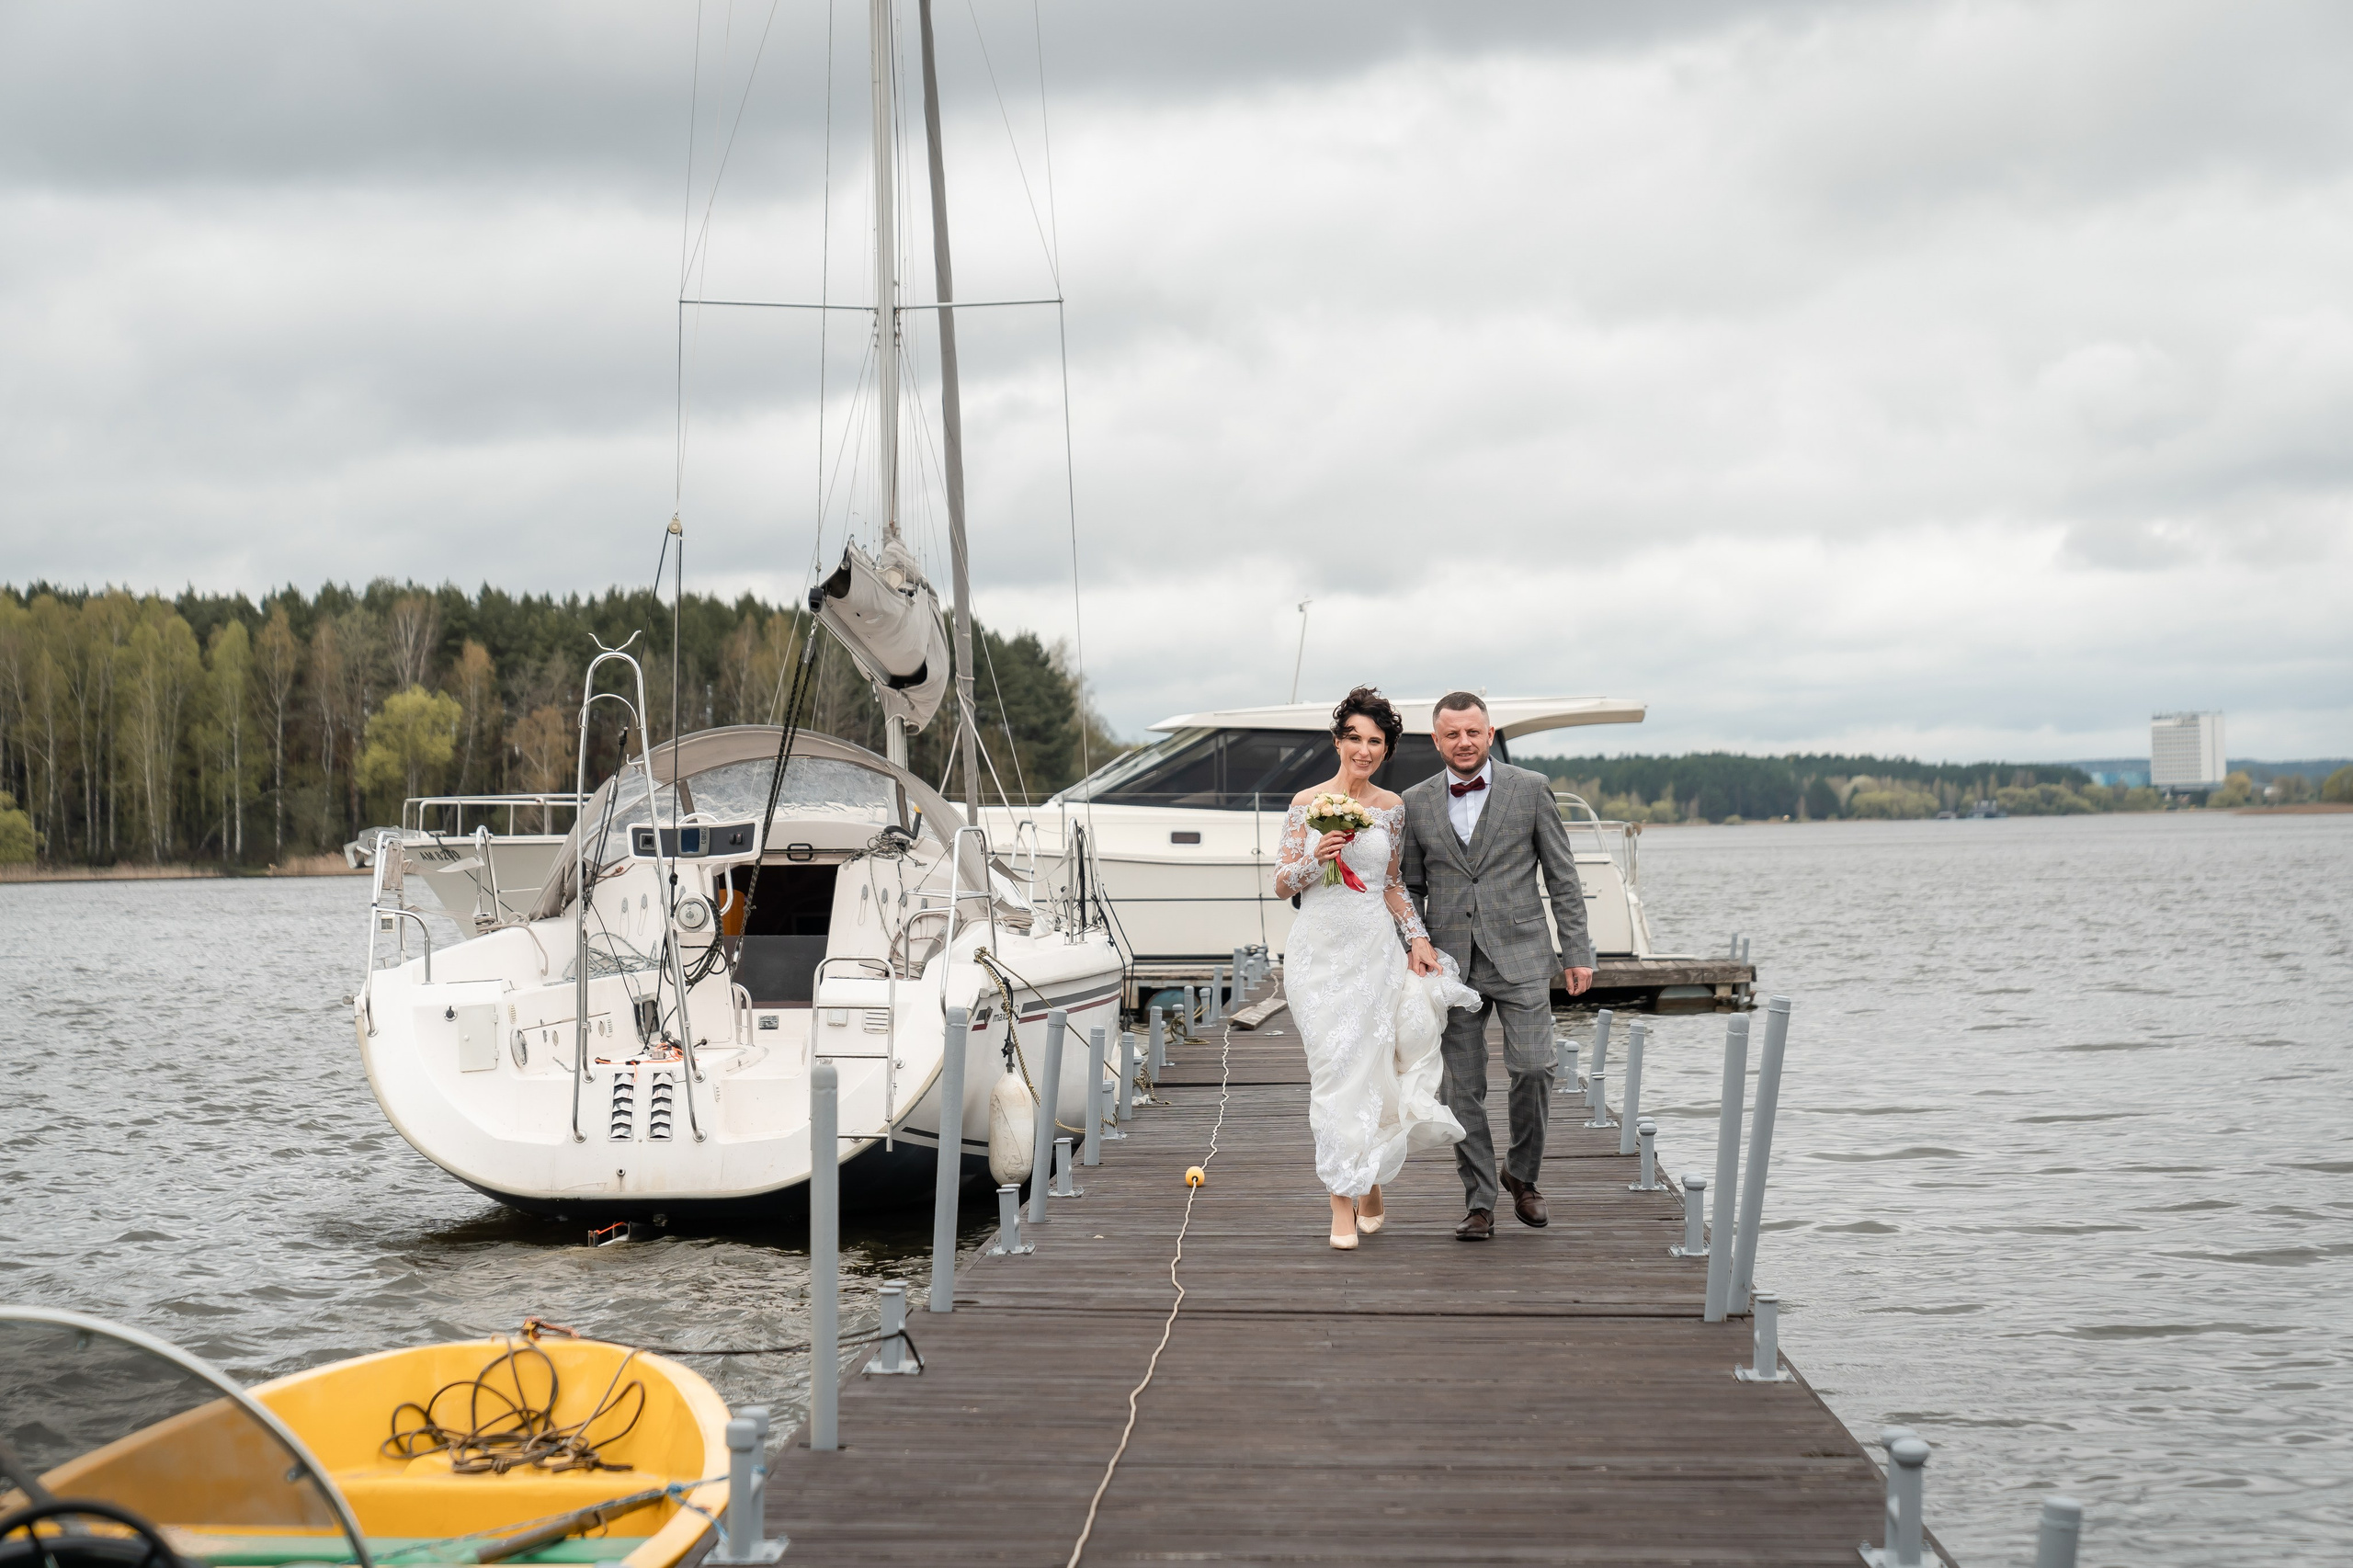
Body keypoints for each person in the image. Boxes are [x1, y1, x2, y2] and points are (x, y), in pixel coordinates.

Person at [1273, 687, 1472, 1250]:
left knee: (1374, 1068)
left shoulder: (1391, 808)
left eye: (1376, 742)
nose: (1364, 750)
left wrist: (1419, 941)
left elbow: (1391, 885)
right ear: (1338, 742)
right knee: (1333, 1071)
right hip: (1316, 956)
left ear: (1386, 750)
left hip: (1373, 953)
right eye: (1355, 739)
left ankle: (1364, 1181)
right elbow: (1281, 882)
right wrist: (1318, 857)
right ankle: (1345, 1192)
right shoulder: (1304, 803)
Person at [1400, 691, 1595, 1241]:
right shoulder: (1415, 802)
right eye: (1452, 734)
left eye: (1473, 732)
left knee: (1535, 1068)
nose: (1464, 742)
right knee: (1462, 1089)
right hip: (1449, 966)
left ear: (1489, 734)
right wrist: (1416, 944)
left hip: (1524, 956)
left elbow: (1563, 878)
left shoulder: (1530, 789)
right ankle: (1480, 1200)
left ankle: (1523, 1176)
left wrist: (1577, 953)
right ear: (1436, 741)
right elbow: (1410, 886)